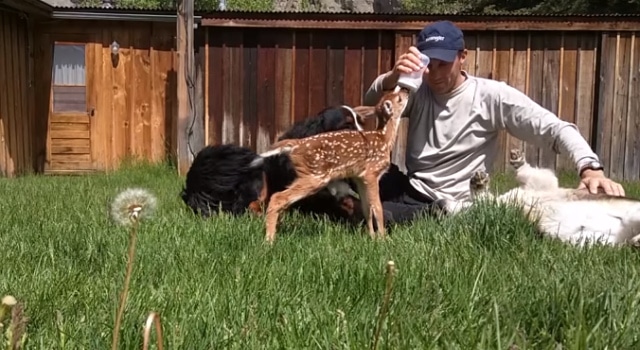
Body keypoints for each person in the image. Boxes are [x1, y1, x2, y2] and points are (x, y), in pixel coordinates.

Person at [363, 20, 625, 225]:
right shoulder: (415, 89)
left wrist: (590, 169)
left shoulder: (491, 96)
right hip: (411, 187)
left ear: (462, 56)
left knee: (370, 214)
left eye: (444, 64)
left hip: (452, 204)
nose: (435, 73)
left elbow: (554, 128)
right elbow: (372, 106)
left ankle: (376, 213)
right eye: (430, 65)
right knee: (342, 140)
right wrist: (392, 77)